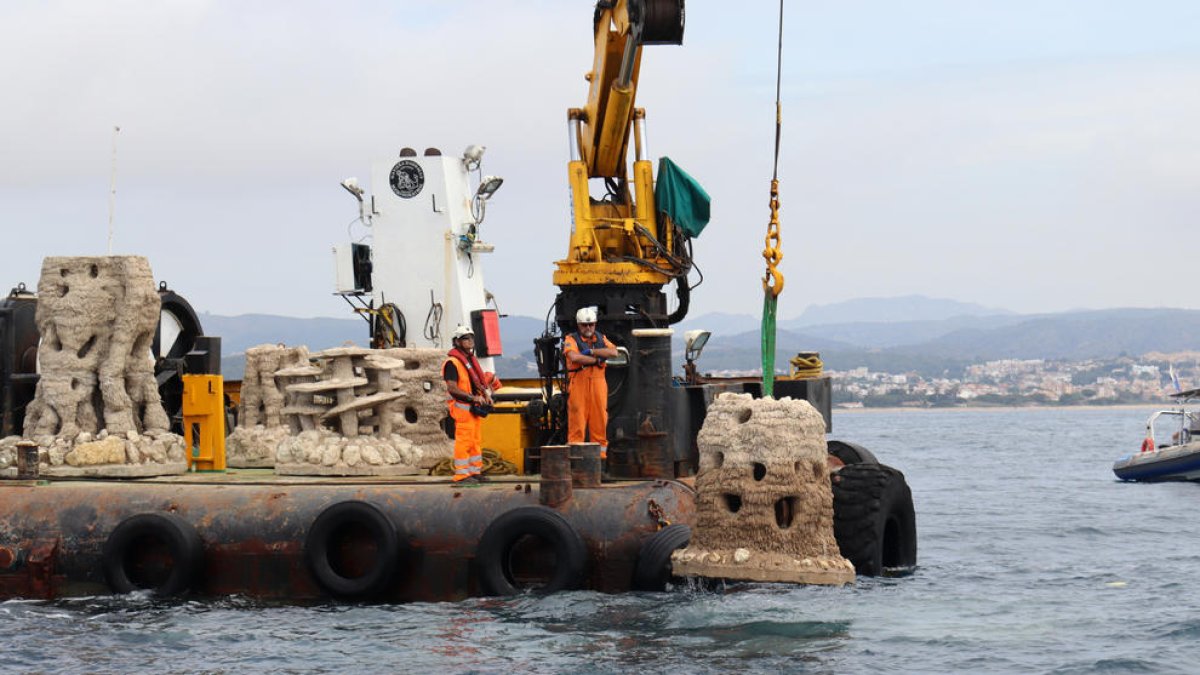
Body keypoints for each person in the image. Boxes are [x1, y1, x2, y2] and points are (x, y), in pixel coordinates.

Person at [562, 306, 618, 463]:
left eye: (591, 324)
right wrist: (598, 360)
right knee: (577, 424)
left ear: (595, 324)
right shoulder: (571, 339)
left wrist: (592, 352)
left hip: (598, 384)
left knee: (600, 423)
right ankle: (575, 463)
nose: (588, 328)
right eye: (584, 325)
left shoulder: (601, 338)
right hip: (578, 383)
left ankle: (600, 463)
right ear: (578, 325)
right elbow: (575, 357)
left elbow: (613, 352)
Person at [443, 325, 497, 484]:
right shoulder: (452, 363)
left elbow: (476, 383)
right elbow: (452, 388)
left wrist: (486, 395)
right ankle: (461, 475)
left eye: (471, 338)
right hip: (462, 409)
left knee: (475, 442)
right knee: (464, 442)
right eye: (466, 338)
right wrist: (473, 398)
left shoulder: (469, 361)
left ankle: (474, 472)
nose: (470, 341)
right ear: (457, 342)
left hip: (473, 410)